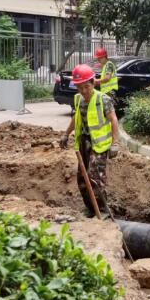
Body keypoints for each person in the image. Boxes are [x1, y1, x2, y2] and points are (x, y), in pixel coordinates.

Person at [60, 64, 121, 217]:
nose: (83, 91)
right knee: (82, 178)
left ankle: (102, 211)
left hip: (99, 145)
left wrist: (115, 143)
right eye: (79, 87)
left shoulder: (103, 99)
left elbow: (113, 119)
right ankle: (91, 208)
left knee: (95, 177)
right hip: (84, 142)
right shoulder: (79, 99)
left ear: (93, 83)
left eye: (86, 87)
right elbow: (76, 118)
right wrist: (66, 134)